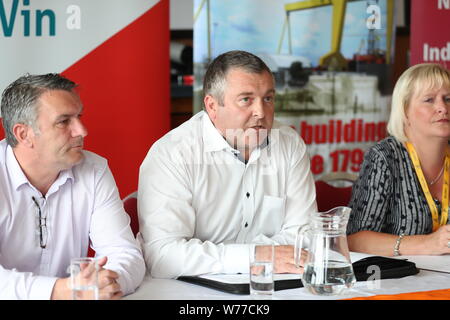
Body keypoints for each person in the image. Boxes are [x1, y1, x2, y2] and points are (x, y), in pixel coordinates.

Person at [138, 50, 317, 278]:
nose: (261, 112)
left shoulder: (289, 144)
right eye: (246, 100)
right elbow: (164, 256)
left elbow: (304, 236)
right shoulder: (173, 153)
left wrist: (253, 259)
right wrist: (255, 256)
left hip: (275, 282)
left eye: (268, 98)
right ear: (212, 106)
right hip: (192, 291)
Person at [0, 74, 145, 299]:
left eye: (79, 117)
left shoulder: (94, 169)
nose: (82, 130)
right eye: (64, 121)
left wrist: (106, 283)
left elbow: (124, 253)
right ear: (24, 134)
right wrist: (61, 291)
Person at [347, 63, 450, 256]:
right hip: (395, 281)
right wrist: (427, 244)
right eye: (429, 100)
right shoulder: (385, 157)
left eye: (448, 99)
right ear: (404, 111)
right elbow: (354, 239)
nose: (443, 108)